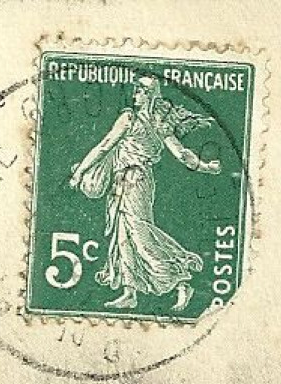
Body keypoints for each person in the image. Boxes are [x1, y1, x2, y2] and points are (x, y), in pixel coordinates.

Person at [68, 73, 222, 312]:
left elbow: (106, 145)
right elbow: (108, 144)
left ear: (150, 95)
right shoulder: (151, 123)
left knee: (140, 235)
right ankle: (130, 293)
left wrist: (80, 173)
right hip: (124, 183)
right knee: (123, 237)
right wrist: (205, 167)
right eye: (136, 89)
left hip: (135, 182)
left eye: (141, 90)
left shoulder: (135, 120)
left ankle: (180, 282)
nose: (135, 94)